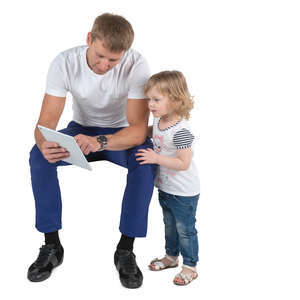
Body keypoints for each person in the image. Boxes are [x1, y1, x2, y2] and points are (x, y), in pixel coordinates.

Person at [27, 13, 156, 289]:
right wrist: (44, 143)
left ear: (125, 53)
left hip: (119, 136)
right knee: (39, 157)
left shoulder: (137, 64)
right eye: (100, 56)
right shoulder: (64, 62)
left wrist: (103, 142)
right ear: (89, 39)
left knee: (145, 163)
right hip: (80, 131)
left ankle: (125, 249)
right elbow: (45, 123)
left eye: (113, 60)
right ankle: (52, 246)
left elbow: (137, 130)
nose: (105, 65)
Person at [135, 71, 200, 286]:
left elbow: (184, 163)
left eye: (156, 99)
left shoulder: (181, 130)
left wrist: (156, 158)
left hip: (183, 192)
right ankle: (171, 257)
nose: (150, 104)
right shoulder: (160, 121)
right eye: (149, 99)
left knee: (185, 230)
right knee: (169, 226)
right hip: (165, 188)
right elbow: (152, 133)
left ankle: (190, 267)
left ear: (175, 99)